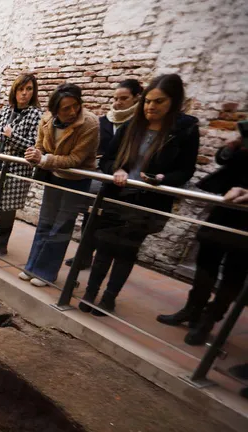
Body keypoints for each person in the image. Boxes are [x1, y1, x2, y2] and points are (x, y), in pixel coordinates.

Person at [79, 74, 199, 315]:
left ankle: (109, 298)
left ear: (173, 103)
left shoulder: (184, 130)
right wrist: (118, 169)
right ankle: (91, 293)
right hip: (118, 194)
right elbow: (108, 160)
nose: (151, 107)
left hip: (148, 200)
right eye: (148, 101)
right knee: (104, 247)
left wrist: (163, 179)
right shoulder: (131, 126)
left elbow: (186, 169)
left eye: (159, 102)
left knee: (127, 250)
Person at [156, 135, 247, 344]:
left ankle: (209, 320)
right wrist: (231, 147)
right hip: (225, 206)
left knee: (236, 271)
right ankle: (192, 310)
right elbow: (223, 161)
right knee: (206, 262)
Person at [21, 83, 99, 286]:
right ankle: (32, 267)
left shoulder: (90, 124)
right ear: (55, 110)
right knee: (45, 222)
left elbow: (76, 159)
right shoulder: (47, 119)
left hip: (77, 181)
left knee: (61, 227)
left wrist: (44, 159)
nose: (72, 112)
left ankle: (46, 273)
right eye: (66, 108)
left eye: (76, 106)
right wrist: (33, 154)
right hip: (54, 177)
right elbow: (40, 145)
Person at [66, 79, 144, 269]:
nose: (118, 103)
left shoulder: (139, 125)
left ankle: (102, 260)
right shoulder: (104, 121)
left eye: (124, 98)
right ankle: (83, 256)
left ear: (136, 98)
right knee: (90, 218)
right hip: (103, 175)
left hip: (126, 180)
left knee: (111, 224)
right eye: (115, 98)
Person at [0, 72, 43, 255]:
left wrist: (12, 137)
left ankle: (2, 244)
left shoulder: (36, 115)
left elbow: (34, 144)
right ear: (15, 91)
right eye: (21, 89)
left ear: (34, 92)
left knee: (7, 208)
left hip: (15, 170)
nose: (24, 93)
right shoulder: (6, 109)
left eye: (29, 89)